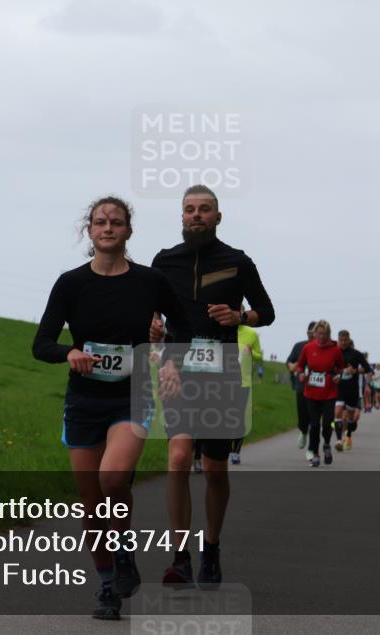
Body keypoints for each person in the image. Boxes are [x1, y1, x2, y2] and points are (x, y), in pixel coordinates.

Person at [32, 197, 191, 620]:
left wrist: (171, 358)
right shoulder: (70, 283)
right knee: (91, 505)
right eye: (100, 222)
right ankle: (107, 586)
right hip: (83, 400)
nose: (108, 228)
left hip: (131, 394)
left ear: (128, 231)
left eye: (116, 222)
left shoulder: (149, 281)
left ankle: (123, 552)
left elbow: (184, 325)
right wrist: (69, 353)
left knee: (113, 477)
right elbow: (41, 343)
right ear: (90, 231)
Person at [149, 185, 275, 590]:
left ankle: (212, 547)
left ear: (218, 217)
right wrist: (150, 326)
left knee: (216, 470)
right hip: (177, 372)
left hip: (221, 376)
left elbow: (267, 313)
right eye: (190, 210)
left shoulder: (237, 262)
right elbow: (149, 314)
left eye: (205, 210)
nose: (196, 216)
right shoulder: (164, 261)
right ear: (181, 216)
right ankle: (179, 556)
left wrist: (240, 316)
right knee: (179, 458)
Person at [295, 320, 343, 467]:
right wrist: (301, 374)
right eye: (320, 334)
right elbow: (300, 366)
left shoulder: (335, 350)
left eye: (325, 334)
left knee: (327, 424)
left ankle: (327, 445)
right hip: (311, 391)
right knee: (314, 425)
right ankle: (315, 453)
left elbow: (341, 368)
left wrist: (338, 376)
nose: (322, 337)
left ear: (329, 334)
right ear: (315, 333)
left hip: (329, 391)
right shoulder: (308, 348)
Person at [230, 322, 262, 464]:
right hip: (224, 382)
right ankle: (223, 447)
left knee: (238, 416)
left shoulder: (251, 333)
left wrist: (251, 352)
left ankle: (235, 451)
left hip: (244, 382)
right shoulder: (222, 330)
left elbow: (259, 356)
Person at [333, 333, 371, 452]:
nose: (343, 342)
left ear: (349, 340)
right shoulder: (334, 352)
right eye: (341, 340)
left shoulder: (356, 354)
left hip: (352, 390)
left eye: (345, 340)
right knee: (338, 412)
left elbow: (367, 368)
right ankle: (339, 440)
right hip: (338, 388)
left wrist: (355, 370)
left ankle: (348, 435)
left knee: (350, 418)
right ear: (338, 340)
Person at [287, 322, 315, 449]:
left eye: (315, 332)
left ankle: (313, 447)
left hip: (318, 388)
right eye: (310, 332)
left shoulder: (325, 348)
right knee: (303, 414)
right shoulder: (299, 346)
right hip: (301, 385)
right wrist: (292, 366)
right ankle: (303, 431)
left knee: (314, 416)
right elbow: (289, 362)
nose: (312, 334)